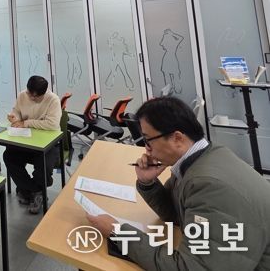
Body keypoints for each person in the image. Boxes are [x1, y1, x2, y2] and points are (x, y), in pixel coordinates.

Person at [87, 97, 270, 270]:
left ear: (177, 138)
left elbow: (188, 267)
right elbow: (176, 213)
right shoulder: (200, 159)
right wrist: (147, 183)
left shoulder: (208, 186)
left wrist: (119, 233)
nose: (146, 150)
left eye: (148, 140)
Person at [3, 75, 61, 214]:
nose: (32, 98)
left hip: (49, 143)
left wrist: (26, 123)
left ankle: (27, 191)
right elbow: (17, 111)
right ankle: (36, 191)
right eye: (30, 94)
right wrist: (14, 118)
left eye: (36, 97)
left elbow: (52, 124)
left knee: (44, 165)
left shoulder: (53, 100)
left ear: (44, 92)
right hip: (26, 141)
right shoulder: (22, 95)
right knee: (9, 156)